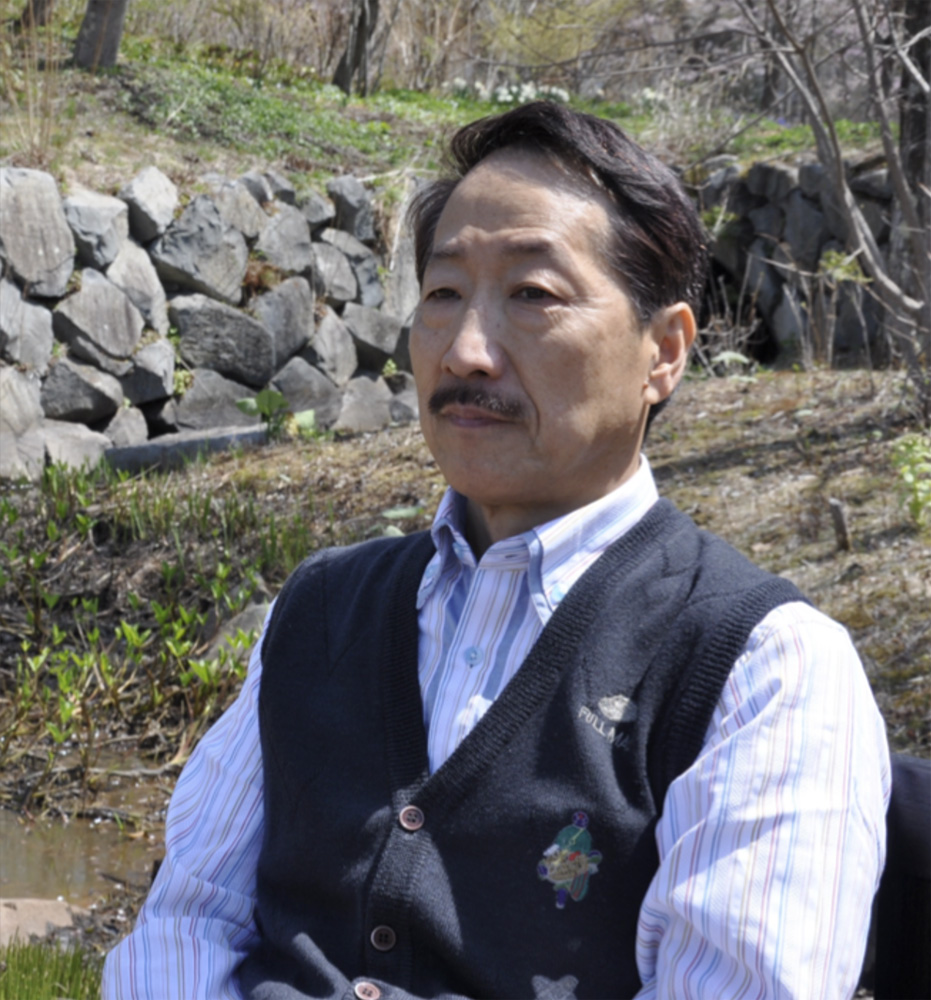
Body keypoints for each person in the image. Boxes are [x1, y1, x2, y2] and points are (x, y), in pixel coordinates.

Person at [103, 102, 890, 1000]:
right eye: (443, 295)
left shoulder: (760, 669)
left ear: (663, 352)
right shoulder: (319, 610)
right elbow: (186, 922)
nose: (467, 352)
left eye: (533, 295)